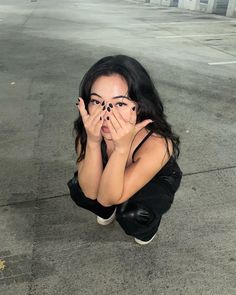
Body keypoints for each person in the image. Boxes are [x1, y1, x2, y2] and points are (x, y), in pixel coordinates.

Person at [67, 55, 182, 245]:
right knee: (79, 189)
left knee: (133, 214)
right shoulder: (88, 130)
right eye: (96, 101)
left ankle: (147, 229)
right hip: (109, 184)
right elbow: (92, 192)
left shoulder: (157, 143)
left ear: (139, 106)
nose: (106, 115)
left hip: (154, 180)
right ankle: (108, 212)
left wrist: (122, 149)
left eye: (120, 103)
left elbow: (107, 197)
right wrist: (94, 142)